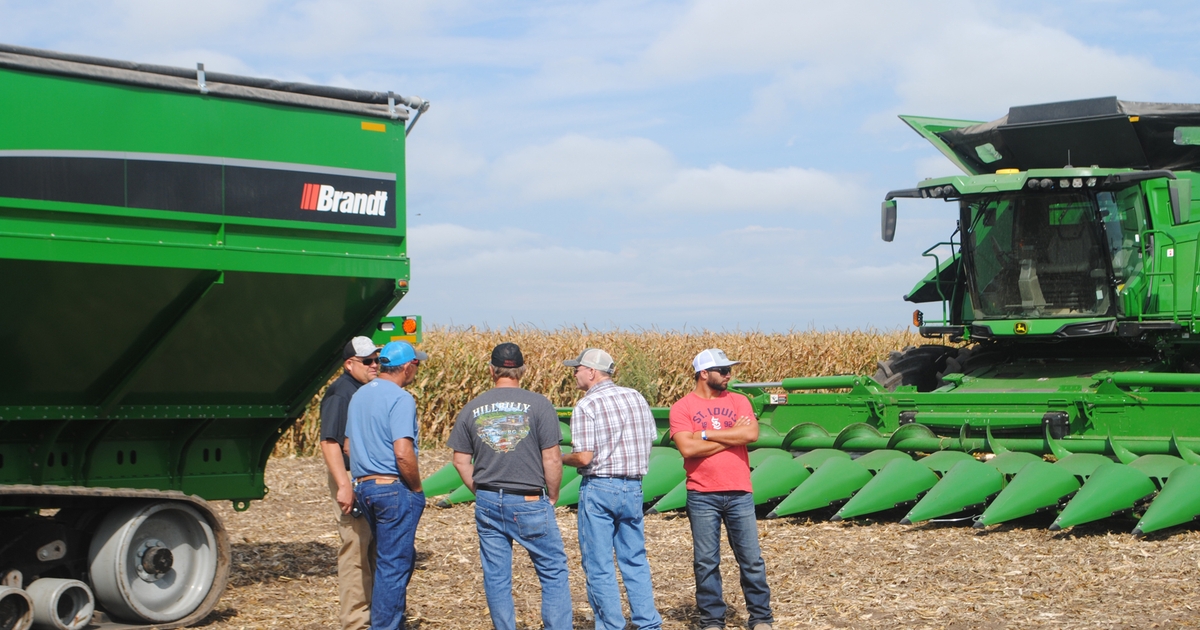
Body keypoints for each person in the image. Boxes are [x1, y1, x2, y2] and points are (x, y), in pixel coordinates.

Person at [447, 342, 572, 630]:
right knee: (552, 571)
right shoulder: (539, 405)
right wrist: (552, 495)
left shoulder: (473, 407)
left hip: (489, 500)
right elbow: (552, 458)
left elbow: (460, 461)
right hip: (529, 500)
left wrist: (480, 491)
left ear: (492, 370)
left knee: (496, 576)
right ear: (522, 370)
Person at [669, 349, 774, 630]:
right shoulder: (682, 408)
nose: (729, 375)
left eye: (729, 370)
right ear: (704, 373)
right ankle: (712, 620)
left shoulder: (740, 401)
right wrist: (731, 437)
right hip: (702, 494)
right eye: (723, 370)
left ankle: (761, 618)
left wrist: (704, 434)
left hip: (740, 491)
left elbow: (750, 434)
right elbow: (687, 448)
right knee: (706, 562)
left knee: (751, 560)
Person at [562, 348, 662, 630]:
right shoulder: (635, 397)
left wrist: (556, 457)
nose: (575, 373)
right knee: (634, 560)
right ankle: (648, 623)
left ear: (591, 371)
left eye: (577, 369)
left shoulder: (586, 406)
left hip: (600, 486)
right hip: (633, 487)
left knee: (599, 564)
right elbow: (650, 437)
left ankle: (610, 625)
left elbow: (583, 457)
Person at [347, 340, 428, 630]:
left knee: (392, 559)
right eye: (416, 365)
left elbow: (347, 445)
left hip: (364, 487)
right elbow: (403, 452)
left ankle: (392, 619)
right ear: (407, 366)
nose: (416, 370)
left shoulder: (359, 396)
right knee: (394, 565)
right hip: (393, 487)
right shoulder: (401, 398)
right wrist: (417, 488)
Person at [319, 336, 379, 630]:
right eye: (367, 361)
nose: (374, 365)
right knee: (355, 548)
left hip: (367, 479)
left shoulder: (364, 390)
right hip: (351, 479)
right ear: (349, 364)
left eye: (377, 360)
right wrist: (343, 485)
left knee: (371, 549)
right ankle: (356, 622)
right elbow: (329, 443)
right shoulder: (341, 393)